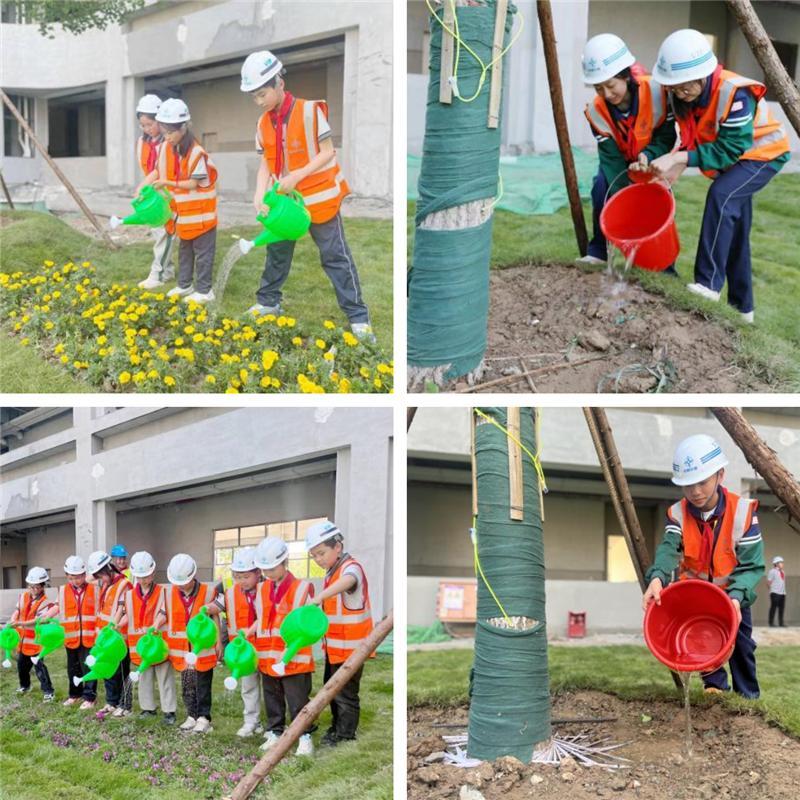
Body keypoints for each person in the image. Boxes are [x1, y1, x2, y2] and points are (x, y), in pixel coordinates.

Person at [648, 29, 791, 324]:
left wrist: (679, 158)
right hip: (738, 161)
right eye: (673, 87)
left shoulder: (734, 93)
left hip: (764, 155)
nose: (678, 92)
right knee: (735, 231)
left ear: (704, 74)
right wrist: (676, 161)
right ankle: (743, 309)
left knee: (722, 196)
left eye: (684, 86)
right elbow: (691, 134)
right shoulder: (684, 96)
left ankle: (707, 284)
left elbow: (731, 148)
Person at [240, 50, 374, 340]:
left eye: (262, 94)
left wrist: (296, 177)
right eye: (254, 97)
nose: (259, 101)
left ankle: (358, 317)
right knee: (276, 254)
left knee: (335, 256)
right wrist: (259, 192)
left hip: (319, 199)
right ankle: (268, 302)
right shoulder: (263, 123)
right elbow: (266, 161)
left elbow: (328, 152)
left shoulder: (310, 111)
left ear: (279, 84)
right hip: (284, 205)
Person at [642, 434, 765, 698]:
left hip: (734, 594)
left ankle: (748, 697)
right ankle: (715, 688)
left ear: (720, 475)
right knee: (701, 637)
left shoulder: (742, 512)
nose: (695, 492)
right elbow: (668, 549)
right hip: (697, 595)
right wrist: (658, 578)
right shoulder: (677, 513)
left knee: (742, 646)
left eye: (702, 482)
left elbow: (753, 565)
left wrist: (736, 597)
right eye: (688, 486)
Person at [579, 34, 677, 271]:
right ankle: (599, 251)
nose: (606, 94)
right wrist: (625, 190)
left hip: (652, 160)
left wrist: (648, 156)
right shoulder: (596, 111)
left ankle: (664, 268)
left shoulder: (658, 93)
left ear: (626, 75)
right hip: (620, 162)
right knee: (602, 186)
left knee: (655, 201)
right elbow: (610, 159)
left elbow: (666, 137)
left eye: (611, 85)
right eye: (598, 87)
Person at [139, 98, 218, 304]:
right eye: (164, 132)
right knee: (185, 252)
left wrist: (166, 182)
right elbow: (158, 170)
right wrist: (144, 185)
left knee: (203, 255)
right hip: (184, 216)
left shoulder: (196, 153)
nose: (167, 137)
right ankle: (184, 285)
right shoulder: (167, 147)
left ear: (184, 127)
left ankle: (204, 290)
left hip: (202, 216)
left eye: (171, 132)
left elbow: (193, 183)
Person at [305, 520, 374, 743]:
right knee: (333, 691)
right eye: (314, 556)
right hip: (335, 648)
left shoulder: (350, 567)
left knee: (346, 694)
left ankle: (345, 735)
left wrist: (320, 597)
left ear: (338, 546)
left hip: (353, 648)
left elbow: (349, 581)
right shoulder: (331, 572)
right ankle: (335, 728)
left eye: (321, 553)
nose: (318, 559)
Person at [252, 537, 315, 756]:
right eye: (265, 569)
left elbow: (310, 624)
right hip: (268, 656)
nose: (268, 573)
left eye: (272, 568)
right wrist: (250, 631)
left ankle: (304, 736)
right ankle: (275, 731)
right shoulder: (261, 589)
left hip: (293, 657)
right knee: (272, 696)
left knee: (297, 699)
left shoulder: (303, 588)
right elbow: (261, 618)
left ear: (285, 562)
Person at [202, 547, 264, 740]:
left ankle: (275, 726)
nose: (241, 581)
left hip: (268, 646)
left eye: (245, 576)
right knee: (248, 685)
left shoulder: (268, 589)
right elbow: (215, 606)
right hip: (243, 650)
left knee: (273, 689)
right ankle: (251, 722)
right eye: (237, 576)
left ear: (258, 573)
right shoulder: (229, 593)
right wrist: (205, 608)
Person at [159, 553, 222, 734]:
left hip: (203, 649)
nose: (180, 586)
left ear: (193, 575)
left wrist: (219, 641)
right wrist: (155, 626)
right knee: (187, 684)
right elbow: (164, 613)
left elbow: (215, 613)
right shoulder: (170, 593)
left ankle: (204, 717)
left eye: (184, 582)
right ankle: (191, 715)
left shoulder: (208, 592)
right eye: (177, 582)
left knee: (203, 683)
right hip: (182, 650)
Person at [118, 551, 177, 724]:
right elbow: (127, 615)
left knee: (164, 676)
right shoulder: (129, 595)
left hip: (158, 644)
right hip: (139, 645)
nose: (143, 580)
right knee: (143, 677)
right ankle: (148, 708)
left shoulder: (163, 592)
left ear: (153, 572)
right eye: (139, 576)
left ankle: (169, 711)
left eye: (146, 576)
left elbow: (164, 613)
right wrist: (117, 625)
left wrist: (155, 626)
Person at [134, 94, 176, 289]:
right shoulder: (142, 142)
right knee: (157, 232)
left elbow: (160, 170)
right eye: (143, 125)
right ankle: (167, 271)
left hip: (166, 192)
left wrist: (143, 185)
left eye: (150, 124)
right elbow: (145, 167)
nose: (147, 129)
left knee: (164, 233)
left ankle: (157, 274)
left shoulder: (168, 142)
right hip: (152, 193)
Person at [88, 550, 133, 717]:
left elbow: (128, 611)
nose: (100, 579)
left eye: (101, 575)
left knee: (121, 672)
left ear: (109, 568)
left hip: (119, 638)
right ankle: (111, 702)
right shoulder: (108, 585)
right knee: (108, 670)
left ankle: (125, 704)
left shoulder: (124, 585)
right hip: (107, 638)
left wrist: (117, 627)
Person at [8, 567, 58, 701]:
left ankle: (48, 691)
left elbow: (37, 621)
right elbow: (17, 611)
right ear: (28, 585)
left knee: (40, 668)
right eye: (32, 587)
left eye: (37, 587)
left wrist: (19, 624)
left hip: (36, 642)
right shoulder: (23, 597)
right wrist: (13, 619)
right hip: (23, 641)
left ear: (43, 586)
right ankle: (25, 686)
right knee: (21, 666)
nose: (34, 589)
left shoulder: (46, 602)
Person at [59, 555, 98, 709]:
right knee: (73, 668)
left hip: (90, 637)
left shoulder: (95, 589)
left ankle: (89, 697)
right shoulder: (62, 591)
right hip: (71, 637)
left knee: (89, 667)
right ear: (67, 576)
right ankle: (74, 694)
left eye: (78, 577)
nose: (75, 581)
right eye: (71, 578)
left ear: (84, 574)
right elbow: (58, 607)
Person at [767, 555, 787, 627]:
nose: (782, 564)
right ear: (776, 563)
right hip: (775, 593)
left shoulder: (783, 572)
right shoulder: (772, 571)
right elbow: (769, 582)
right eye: (781, 562)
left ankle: (781, 623)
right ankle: (771, 623)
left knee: (781, 608)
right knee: (773, 607)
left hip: (782, 593)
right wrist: (772, 591)